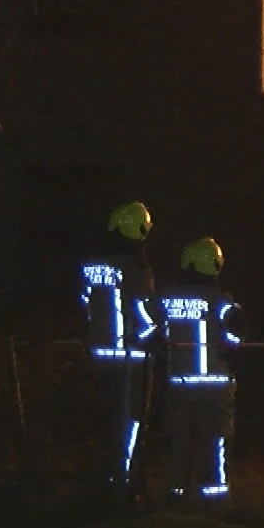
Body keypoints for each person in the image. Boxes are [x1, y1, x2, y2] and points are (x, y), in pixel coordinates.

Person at [79, 201, 159, 501]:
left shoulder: (91, 266)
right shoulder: (137, 269)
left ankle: (101, 481)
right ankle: (124, 486)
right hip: (131, 359)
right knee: (129, 424)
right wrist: (154, 339)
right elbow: (147, 312)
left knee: (103, 422)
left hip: (98, 355)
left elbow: (85, 308)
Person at [159, 238, 241, 502]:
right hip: (216, 388)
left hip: (180, 385)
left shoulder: (168, 299)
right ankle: (214, 500)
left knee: (180, 444)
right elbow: (237, 334)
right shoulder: (223, 301)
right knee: (215, 445)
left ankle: (175, 495)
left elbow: (153, 330)